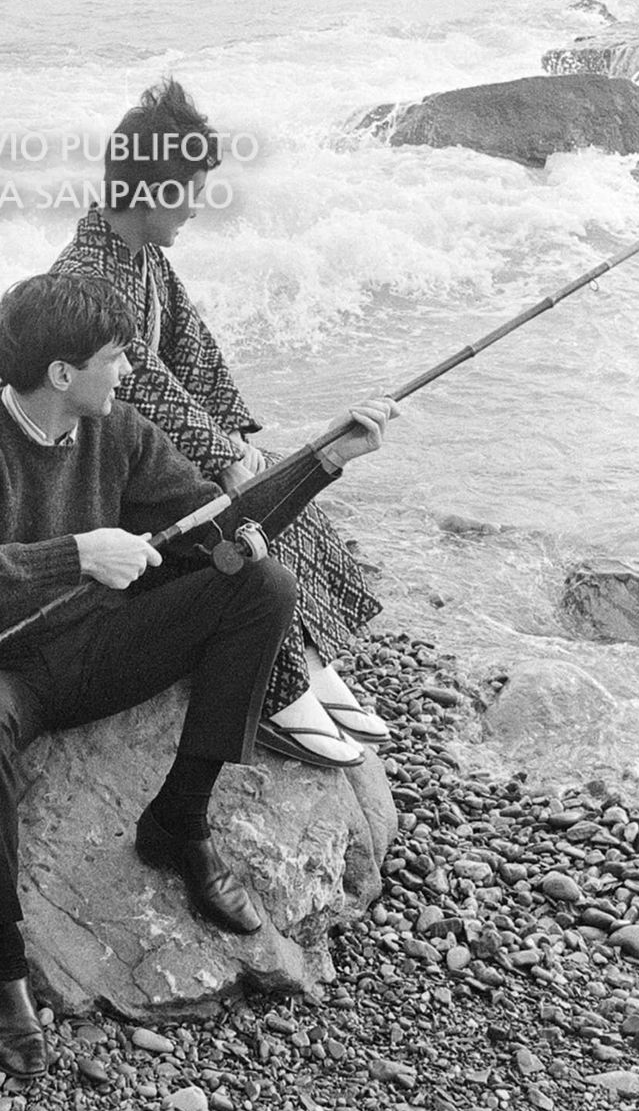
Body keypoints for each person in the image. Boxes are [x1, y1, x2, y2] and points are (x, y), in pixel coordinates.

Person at [0, 272, 385, 1078]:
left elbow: (219, 522)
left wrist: (324, 460)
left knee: (261, 584)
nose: (128, 371)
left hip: (97, 653)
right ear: (63, 373)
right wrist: (77, 552)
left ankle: (178, 823)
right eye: (116, 358)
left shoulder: (118, 431)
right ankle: (4, 962)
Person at [48, 76, 397, 769]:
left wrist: (236, 443)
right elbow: (141, 382)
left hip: (140, 457)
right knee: (242, 517)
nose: (198, 210)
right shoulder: (87, 276)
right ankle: (277, 687)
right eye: (191, 192)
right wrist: (219, 459)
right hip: (87, 487)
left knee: (275, 480)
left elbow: (192, 356)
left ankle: (305, 653)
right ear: (149, 191)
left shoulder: (143, 260)